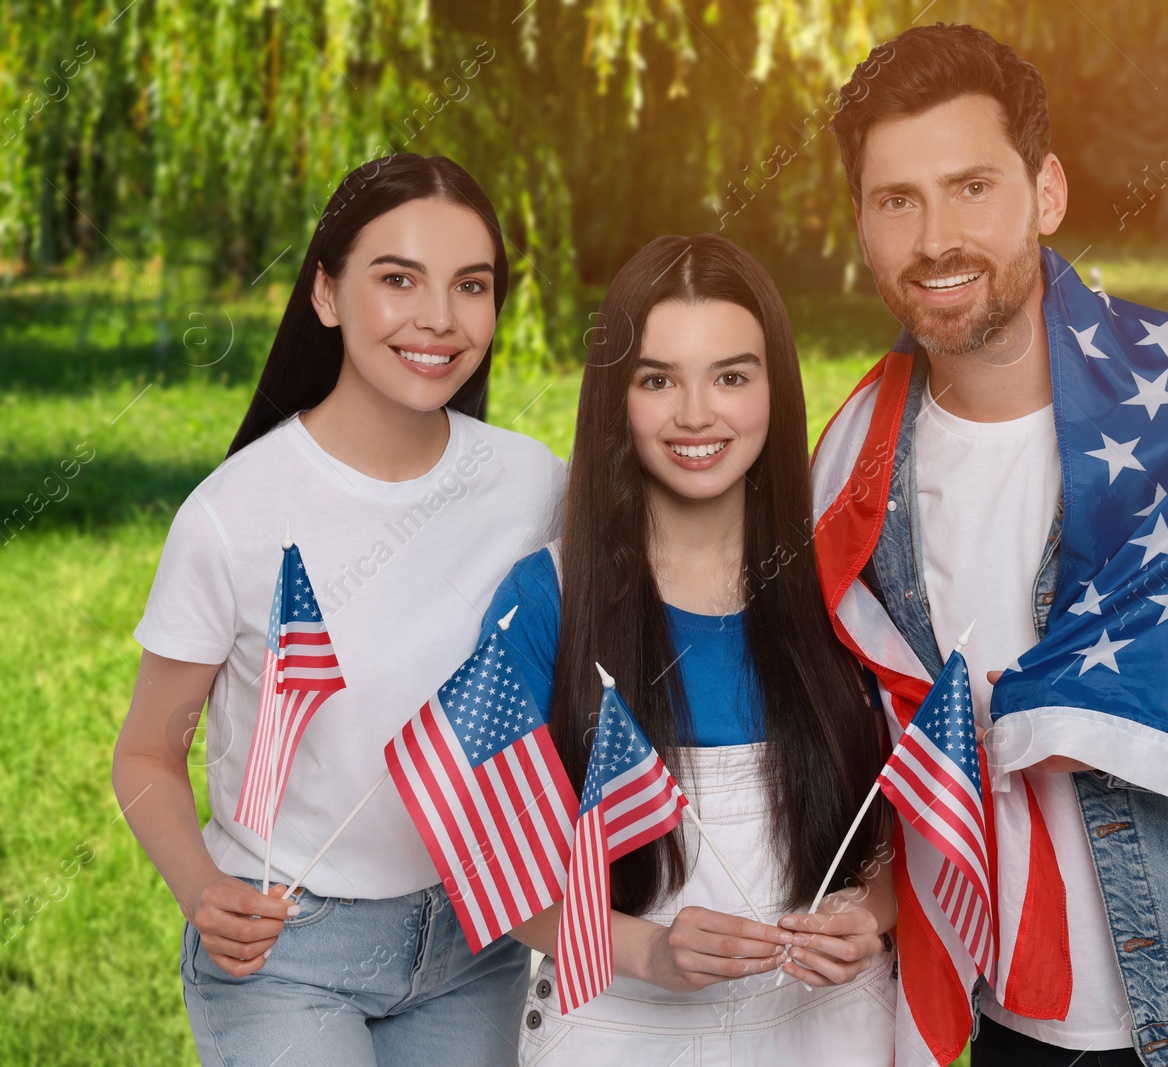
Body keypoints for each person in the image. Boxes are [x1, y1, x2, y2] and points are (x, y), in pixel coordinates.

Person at [813, 24, 1168, 1066]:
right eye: (898, 200)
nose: (936, 236)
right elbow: (878, 742)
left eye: (972, 186)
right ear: (862, 224)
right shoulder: (848, 467)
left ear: (1048, 192)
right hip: (1016, 1012)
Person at [112, 153, 566, 1067]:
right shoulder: (231, 514)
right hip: (287, 947)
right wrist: (200, 887)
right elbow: (148, 752)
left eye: (470, 286)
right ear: (325, 292)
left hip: (478, 936)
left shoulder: (533, 484)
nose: (438, 318)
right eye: (398, 279)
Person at [484, 233, 897, 1065]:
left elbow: (902, 831)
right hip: (618, 1023)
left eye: (732, 376)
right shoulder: (546, 600)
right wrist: (648, 952)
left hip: (827, 1026)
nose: (698, 413)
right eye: (658, 379)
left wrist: (870, 915)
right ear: (615, 397)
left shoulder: (846, 589)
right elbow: (500, 871)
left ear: (774, 388)